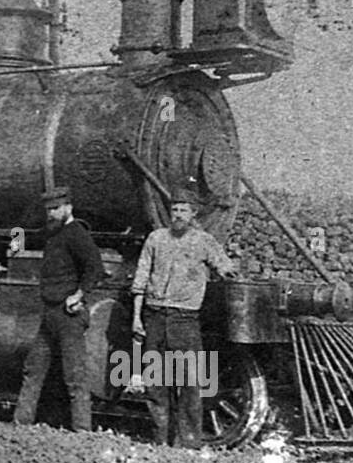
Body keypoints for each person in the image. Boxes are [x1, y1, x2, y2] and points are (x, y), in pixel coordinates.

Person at [130, 187, 237, 449]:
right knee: (156, 382)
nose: (177, 215)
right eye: (174, 209)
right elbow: (140, 280)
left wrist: (228, 271)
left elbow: (225, 267)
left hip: (184, 319)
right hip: (155, 315)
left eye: (183, 210)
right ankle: (160, 439)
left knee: (189, 383)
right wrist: (136, 317)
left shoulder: (204, 241)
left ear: (193, 214)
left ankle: (188, 441)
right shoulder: (156, 239)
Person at [13, 186, 105, 431]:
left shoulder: (76, 233)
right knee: (33, 368)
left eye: (55, 208)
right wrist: (16, 230)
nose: (51, 213)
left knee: (75, 375)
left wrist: (79, 294)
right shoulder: (53, 233)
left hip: (68, 316)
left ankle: (82, 431)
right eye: (48, 210)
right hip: (50, 313)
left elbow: (95, 268)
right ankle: (21, 423)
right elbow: (22, 237)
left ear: (68, 208)